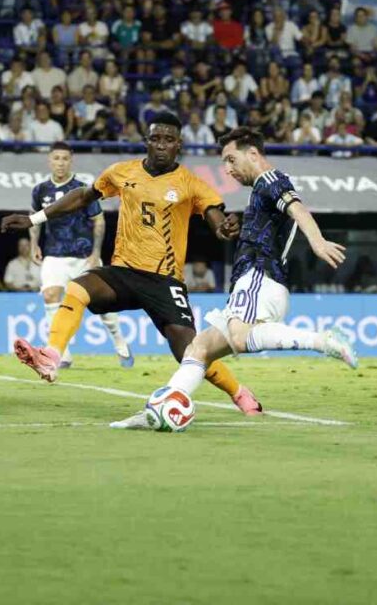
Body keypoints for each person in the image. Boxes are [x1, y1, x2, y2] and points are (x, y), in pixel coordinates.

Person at [1, 111, 260, 414]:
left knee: (189, 352)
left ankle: (240, 393)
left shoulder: (191, 184)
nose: (161, 145)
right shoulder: (122, 172)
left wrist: (224, 228)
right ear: (146, 141)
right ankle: (51, 356)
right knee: (78, 288)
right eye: (156, 138)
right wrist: (34, 218)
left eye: (168, 140)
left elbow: (216, 219)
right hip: (123, 272)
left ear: (179, 145)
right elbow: (82, 197)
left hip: (165, 281)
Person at [110, 128, 356, 429]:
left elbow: (298, 209)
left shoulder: (270, 178)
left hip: (258, 277)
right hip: (257, 282)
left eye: (231, 159)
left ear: (252, 154)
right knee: (199, 349)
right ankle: (160, 410)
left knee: (239, 337)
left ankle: (322, 341)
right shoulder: (262, 188)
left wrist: (317, 242)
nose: (227, 169)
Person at [28, 142, 133, 368]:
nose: (60, 163)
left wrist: (96, 253)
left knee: (103, 303)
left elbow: (99, 221)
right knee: (50, 295)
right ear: (49, 160)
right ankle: (61, 353)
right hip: (54, 255)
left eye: (65, 158)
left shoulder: (83, 189)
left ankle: (120, 342)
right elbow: (34, 219)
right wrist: (34, 244)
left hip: (84, 256)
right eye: (56, 158)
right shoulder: (40, 190)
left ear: (71, 161)